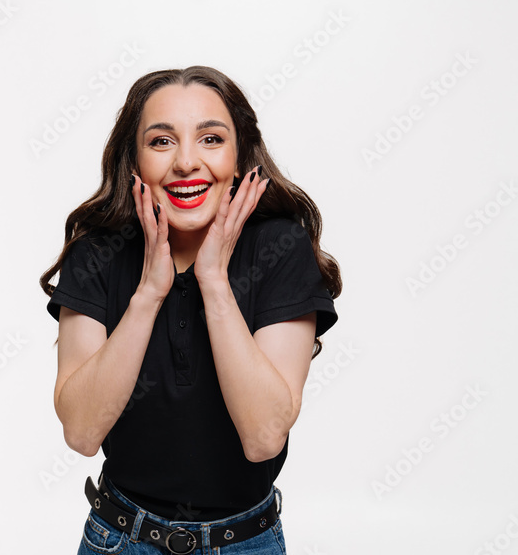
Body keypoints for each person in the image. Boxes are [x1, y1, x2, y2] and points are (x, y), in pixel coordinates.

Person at [42, 67, 340, 554]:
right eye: (161, 141)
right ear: (133, 161)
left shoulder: (279, 247)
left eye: (210, 139)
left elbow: (264, 437)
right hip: (121, 539)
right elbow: (81, 431)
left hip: (245, 541)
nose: (186, 162)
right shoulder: (99, 251)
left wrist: (215, 285)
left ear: (240, 156)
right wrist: (148, 294)